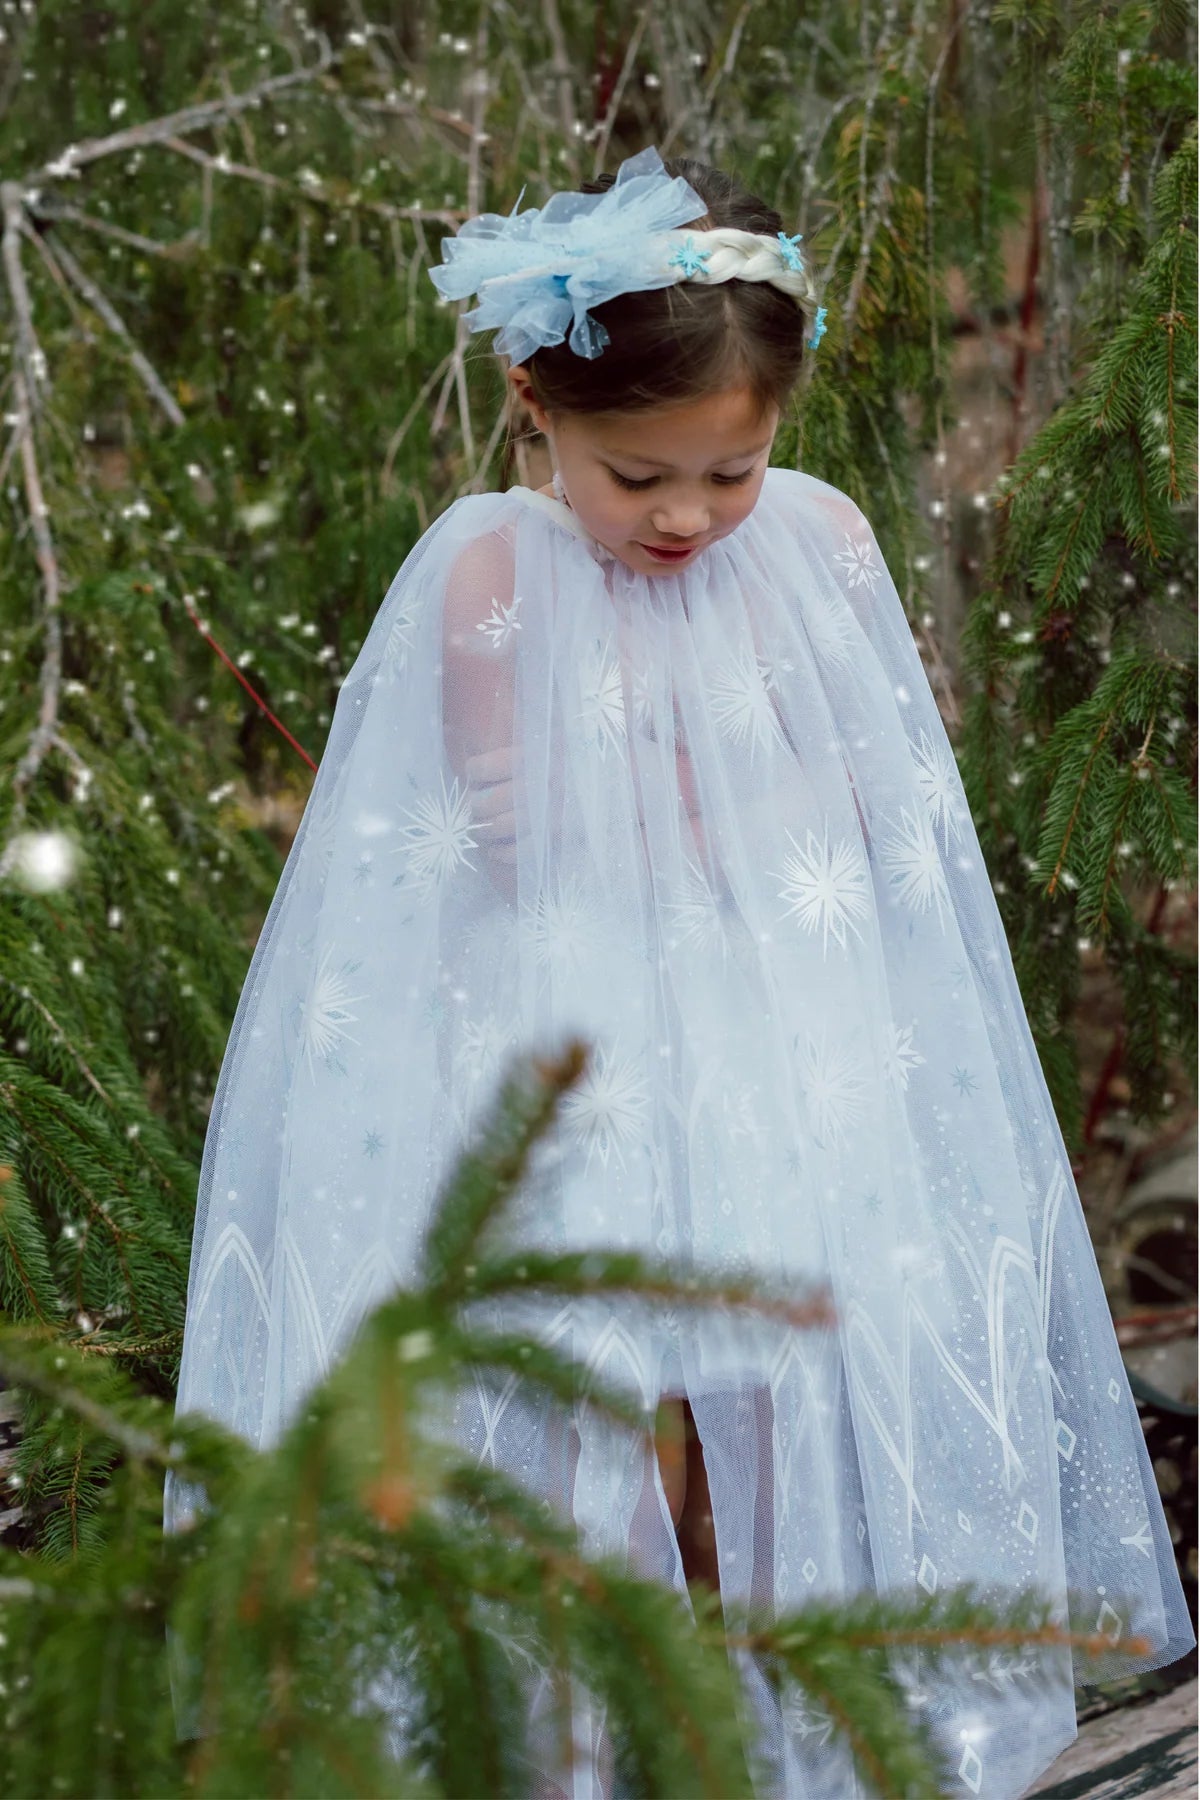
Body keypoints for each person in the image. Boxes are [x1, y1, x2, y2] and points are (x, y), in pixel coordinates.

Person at [169, 146, 1193, 1796]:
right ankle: (570, 1730)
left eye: (731, 470)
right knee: (584, 1358)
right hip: (572, 1028)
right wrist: (654, 797)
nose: (686, 515)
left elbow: (880, 780)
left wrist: (744, 813)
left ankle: (846, 1701)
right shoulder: (492, 567)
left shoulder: (823, 538)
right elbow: (500, 836)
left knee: (811, 1338)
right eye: (637, 472)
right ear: (537, 408)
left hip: (787, 1017)